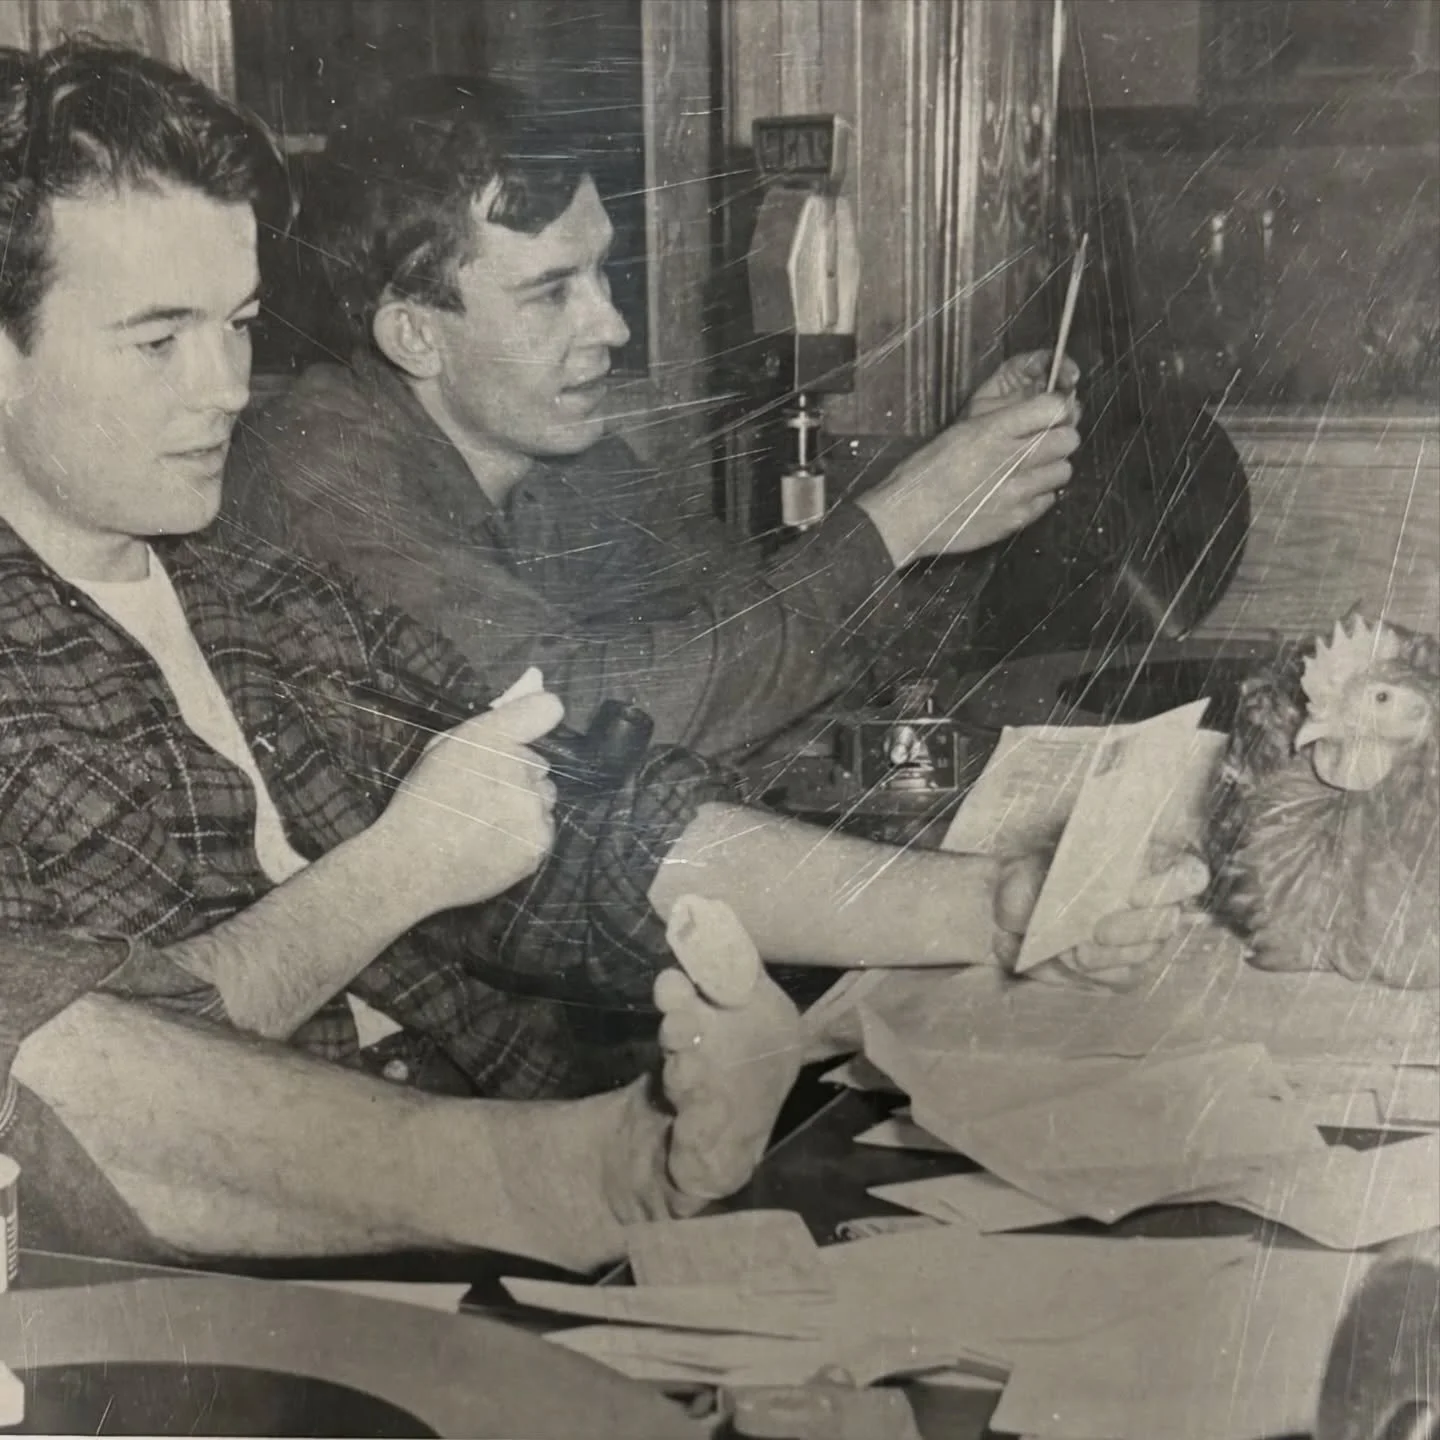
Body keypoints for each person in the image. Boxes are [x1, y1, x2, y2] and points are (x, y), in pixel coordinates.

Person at [0, 40, 1203, 1268]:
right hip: (247, 1279)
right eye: (158, 341)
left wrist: (997, 907)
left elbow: (585, 815)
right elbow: (57, 1067)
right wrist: (404, 876)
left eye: (240, 324)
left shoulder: (234, 586)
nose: (224, 387)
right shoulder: (242, 514)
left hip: (487, 1175)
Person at [225, 74, 1085, 761]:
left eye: (600, 274)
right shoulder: (318, 477)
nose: (613, 326)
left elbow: (760, 646)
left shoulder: (570, 459)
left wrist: (964, 495)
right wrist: (902, 517)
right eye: (552, 292)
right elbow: (573, 715)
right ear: (414, 334)